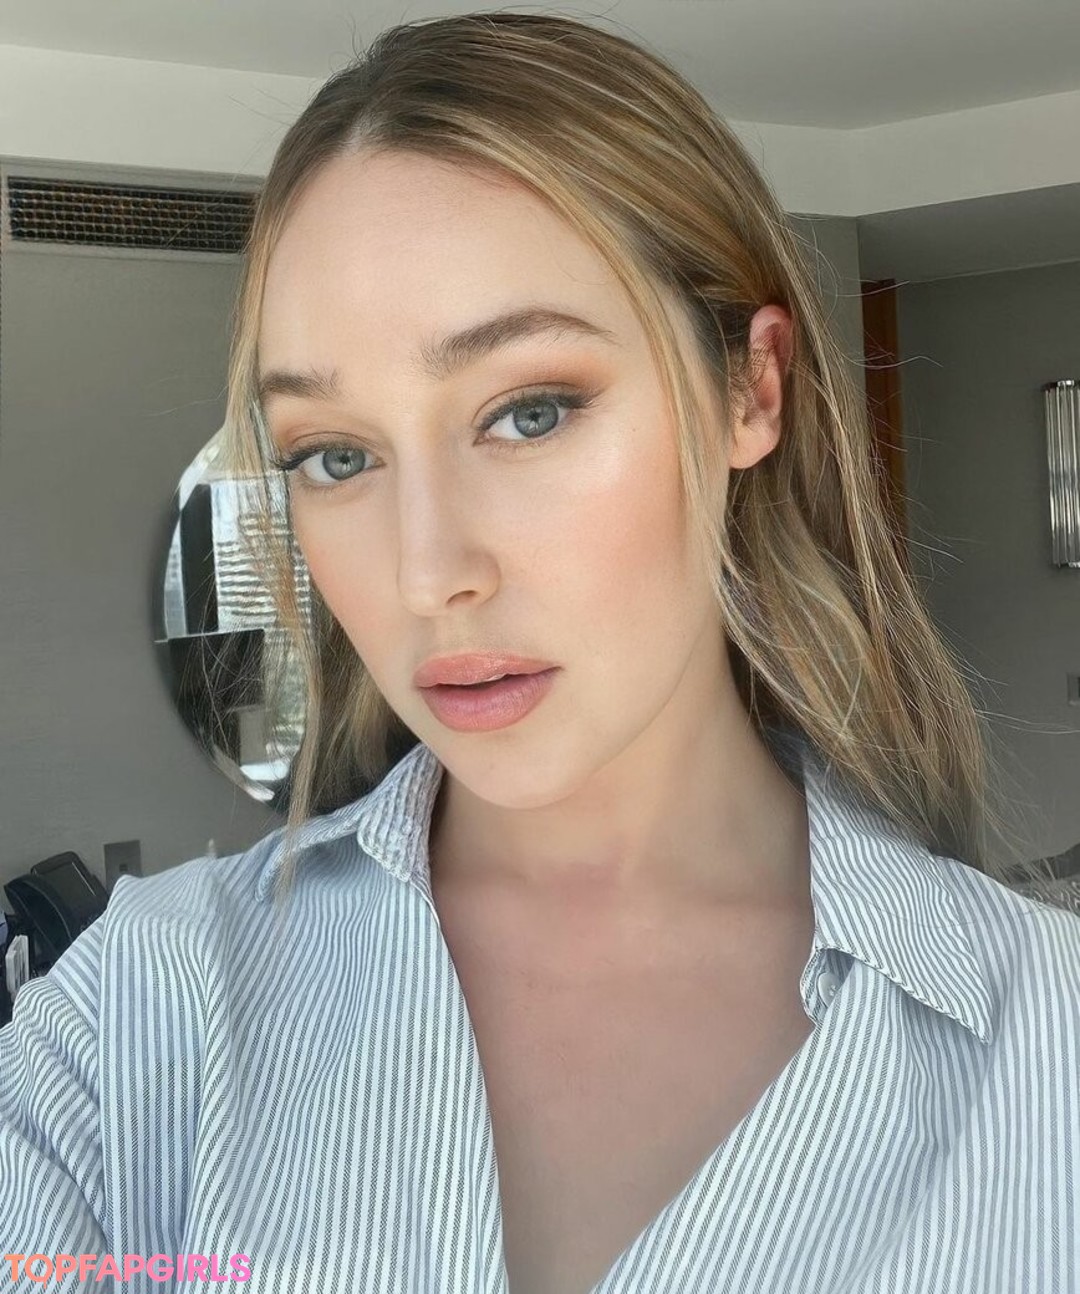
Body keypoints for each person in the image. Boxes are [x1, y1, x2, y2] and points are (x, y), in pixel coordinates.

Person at [2, 12, 1078, 1294]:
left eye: (528, 412)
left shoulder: (1046, 1040)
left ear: (751, 391)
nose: (428, 574)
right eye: (335, 455)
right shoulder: (134, 1018)